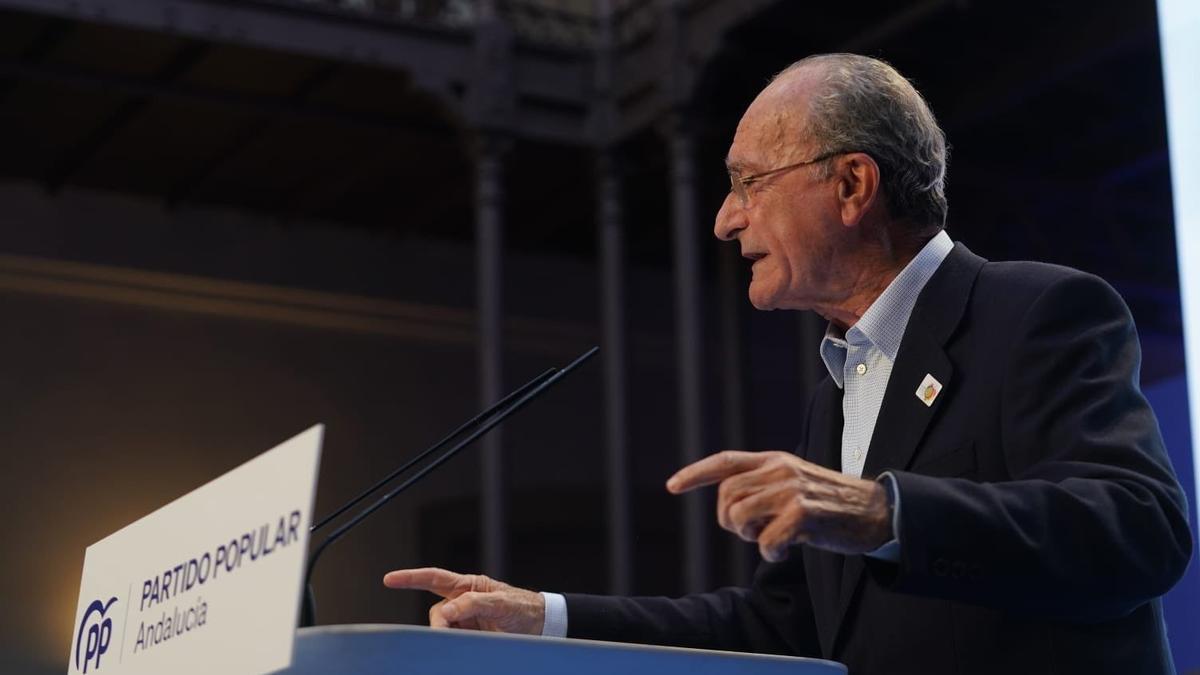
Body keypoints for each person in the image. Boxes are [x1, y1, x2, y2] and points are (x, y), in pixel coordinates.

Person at [383, 54, 1193, 674]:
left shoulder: (1036, 313)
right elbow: (783, 625)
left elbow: (1141, 529)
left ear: (851, 184)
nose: (725, 220)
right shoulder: (839, 384)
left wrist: (885, 511)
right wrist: (548, 617)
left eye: (747, 182)